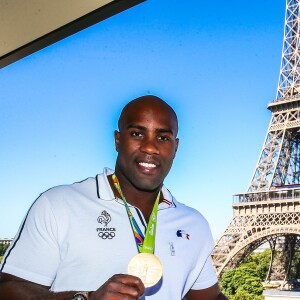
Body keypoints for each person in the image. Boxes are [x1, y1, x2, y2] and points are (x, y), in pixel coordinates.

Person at [0, 95, 227, 299]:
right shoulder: (58, 205)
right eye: (137, 134)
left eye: (163, 137)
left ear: (175, 147)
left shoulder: (193, 223)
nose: (150, 147)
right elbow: (7, 289)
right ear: (118, 140)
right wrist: (85, 298)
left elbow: (208, 298)